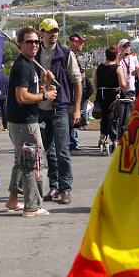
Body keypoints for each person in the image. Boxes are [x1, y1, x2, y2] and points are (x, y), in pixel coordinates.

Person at [5, 26, 57, 217]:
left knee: (21, 161)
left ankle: (13, 200)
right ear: (20, 44)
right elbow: (22, 97)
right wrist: (45, 95)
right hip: (24, 122)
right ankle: (31, 206)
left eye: (36, 41)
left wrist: (44, 83)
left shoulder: (30, 64)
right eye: (29, 41)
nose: (34, 45)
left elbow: (34, 92)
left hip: (21, 121)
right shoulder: (22, 66)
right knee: (33, 162)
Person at [36, 18, 82, 204]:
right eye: (49, 31)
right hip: (40, 108)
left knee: (63, 150)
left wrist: (77, 109)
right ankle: (54, 184)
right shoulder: (35, 53)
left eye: (55, 30)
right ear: (42, 33)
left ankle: (65, 188)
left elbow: (77, 82)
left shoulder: (65, 54)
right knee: (48, 151)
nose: (53, 34)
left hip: (60, 108)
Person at [94, 46, 127, 146]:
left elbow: (95, 82)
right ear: (116, 55)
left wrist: (99, 91)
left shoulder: (99, 67)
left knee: (104, 115)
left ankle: (102, 135)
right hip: (114, 95)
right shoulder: (117, 68)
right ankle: (113, 138)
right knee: (114, 116)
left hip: (102, 94)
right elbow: (122, 84)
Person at [68, 33, 87, 150]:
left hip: (76, 92)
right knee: (71, 116)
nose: (82, 45)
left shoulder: (74, 55)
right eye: (80, 42)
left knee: (73, 117)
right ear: (74, 42)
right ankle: (72, 141)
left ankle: (73, 140)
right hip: (70, 94)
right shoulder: (69, 55)